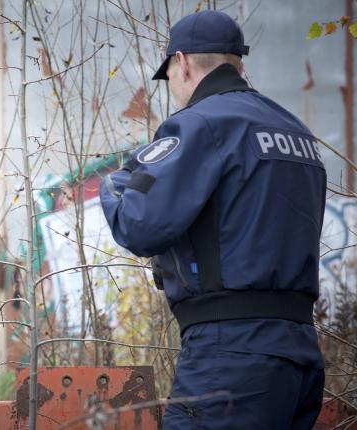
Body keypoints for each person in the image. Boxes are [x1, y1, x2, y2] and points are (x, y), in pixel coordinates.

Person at [100, 10, 326, 430]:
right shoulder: (297, 133)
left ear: (181, 63)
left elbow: (138, 223)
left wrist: (115, 184)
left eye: (168, 77)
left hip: (230, 357)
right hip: (301, 355)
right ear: (239, 65)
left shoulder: (197, 125)